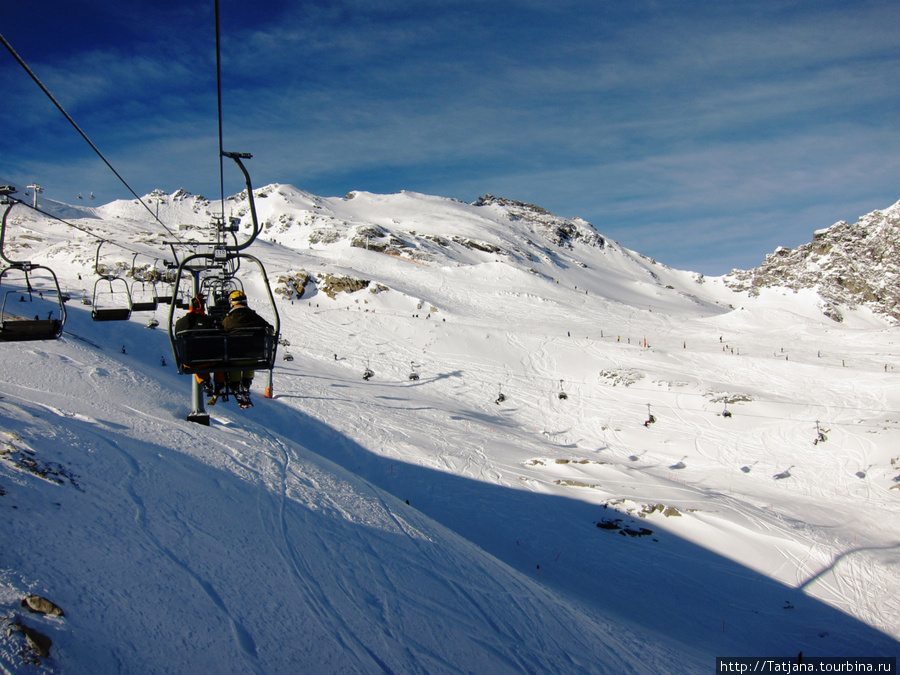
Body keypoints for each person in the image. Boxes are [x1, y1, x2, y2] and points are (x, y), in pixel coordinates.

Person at [221, 290, 272, 399]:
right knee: (249, 358)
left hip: (234, 357)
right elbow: (269, 329)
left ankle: (234, 384)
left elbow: (221, 332)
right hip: (254, 355)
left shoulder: (228, 319)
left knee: (235, 361)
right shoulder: (254, 317)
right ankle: (246, 382)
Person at [174, 294, 224, 396]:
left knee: (195, 357)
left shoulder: (180, 323)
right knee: (218, 359)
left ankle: (204, 381)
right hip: (210, 360)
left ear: (190, 307)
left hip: (190, 362)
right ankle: (220, 383)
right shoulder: (209, 322)